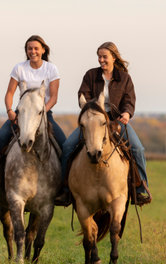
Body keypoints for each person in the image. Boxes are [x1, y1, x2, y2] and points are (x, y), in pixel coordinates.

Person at [57, 41, 151, 206]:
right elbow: (83, 94)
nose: (101, 60)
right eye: (99, 57)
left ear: (113, 57)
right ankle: (64, 190)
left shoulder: (124, 78)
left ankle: (140, 188)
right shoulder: (90, 75)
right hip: (93, 120)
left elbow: (129, 100)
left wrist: (127, 114)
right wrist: (89, 107)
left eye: (104, 56)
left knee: (137, 148)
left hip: (116, 121)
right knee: (67, 147)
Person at [0, 35, 66, 194]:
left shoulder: (51, 69)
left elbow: (54, 97)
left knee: (64, 145)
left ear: (43, 50)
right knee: (1, 138)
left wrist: (43, 111)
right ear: (26, 51)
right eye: (30, 48)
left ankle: (64, 187)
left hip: (44, 114)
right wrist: (9, 111)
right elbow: (9, 93)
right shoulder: (19, 68)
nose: (33, 51)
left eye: (36, 48)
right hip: (21, 115)